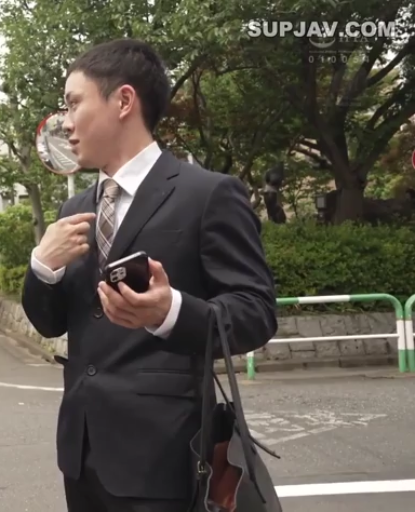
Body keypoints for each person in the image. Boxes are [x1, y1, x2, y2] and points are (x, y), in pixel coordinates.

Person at [21, 39, 277, 512]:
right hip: (81, 454)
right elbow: (50, 323)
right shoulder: (75, 209)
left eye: (74, 104)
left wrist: (170, 312)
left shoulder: (208, 194)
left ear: (123, 101)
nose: (65, 123)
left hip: (169, 454)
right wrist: (43, 265)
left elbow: (255, 312)